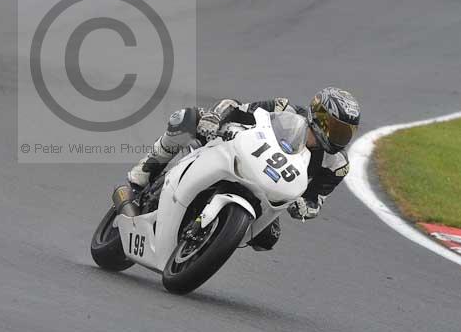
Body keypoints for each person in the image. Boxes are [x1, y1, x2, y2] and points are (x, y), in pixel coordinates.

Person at [126, 87, 361, 251]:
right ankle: (141, 177)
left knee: (268, 238)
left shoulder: (337, 164)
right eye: (336, 129)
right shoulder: (285, 109)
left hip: (267, 193)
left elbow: (315, 201)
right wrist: (214, 117)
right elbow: (237, 107)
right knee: (187, 118)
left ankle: (209, 244)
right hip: (239, 155)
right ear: (319, 116)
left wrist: (304, 208)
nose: (339, 138)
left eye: (345, 132)